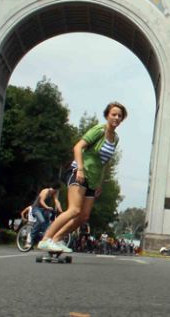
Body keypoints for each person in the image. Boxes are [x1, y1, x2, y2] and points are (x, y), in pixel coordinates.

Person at [37, 102, 127, 253]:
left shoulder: (115, 138)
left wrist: (99, 183)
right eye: (114, 114)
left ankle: (57, 239)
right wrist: (80, 168)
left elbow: (104, 163)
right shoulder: (99, 130)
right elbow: (78, 147)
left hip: (93, 179)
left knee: (83, 216)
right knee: (74, 210)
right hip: (79, 173)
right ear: (107, 115)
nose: (116, 118)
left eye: (120, 116)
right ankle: (46, 239)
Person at [29, 183, 63, 248]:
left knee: (48, 226)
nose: (57, 192)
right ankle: (31, 238)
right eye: (57, 190)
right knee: (41, 221)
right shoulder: (45, 191)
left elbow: (56, 201)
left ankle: (40, 238)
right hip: (36, 208)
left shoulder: (54, 193)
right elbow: (41, 201)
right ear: (55, 189)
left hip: (44, 210)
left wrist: (61, 210)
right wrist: (47, 207)